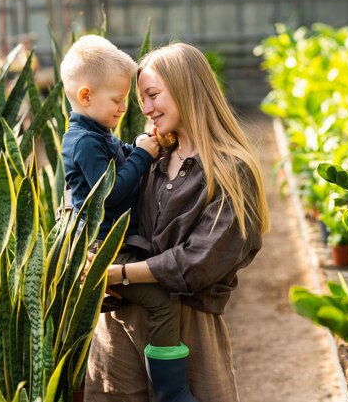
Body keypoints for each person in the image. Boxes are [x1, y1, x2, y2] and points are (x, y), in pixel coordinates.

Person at [84, 42, 270, 402]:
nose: (147, 110)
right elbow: (96, 208)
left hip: (190, 323)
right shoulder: (147, 159)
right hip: (121, 319)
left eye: (153, 95)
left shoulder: (231, 170)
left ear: (186, 89)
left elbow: (200, 260)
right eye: (142, 101)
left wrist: (117, 274)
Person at [61, 35, 198, 401]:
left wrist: (139, 145)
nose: (124, 108)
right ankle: (172, 390)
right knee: (162, 302)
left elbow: (123, 155)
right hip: (107, 249)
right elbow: (110, 193)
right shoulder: (84, 142)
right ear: (86, 96)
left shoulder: (99, 134)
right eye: (118, 100)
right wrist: (140, 156)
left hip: (120, 244)